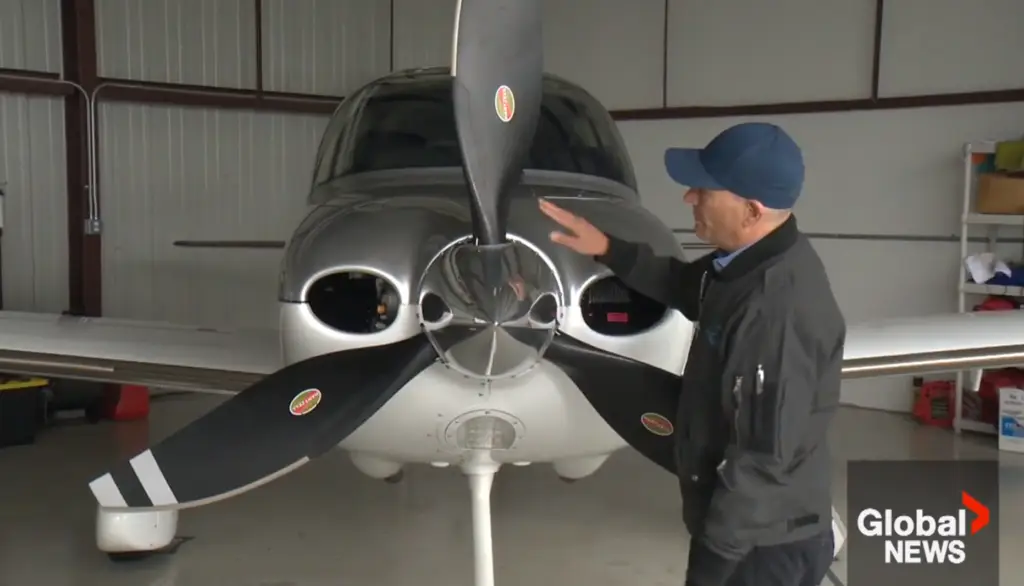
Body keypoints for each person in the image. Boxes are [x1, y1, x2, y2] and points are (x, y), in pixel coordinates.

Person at [539, 122, 845, 586]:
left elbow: (763, 459)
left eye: (704, 189)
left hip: (762, 545)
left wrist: (712, 564)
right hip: (750, 531)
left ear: (751, 210)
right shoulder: (741, 266)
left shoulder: (776, 309)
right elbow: (684, 285)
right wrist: (608, 249)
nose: (688, 198)